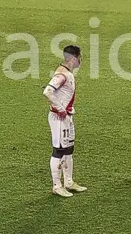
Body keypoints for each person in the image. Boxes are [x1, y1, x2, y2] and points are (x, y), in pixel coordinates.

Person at [43, 45, 87, 198]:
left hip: (67, 117)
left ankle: (69, 182)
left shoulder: (67, 72)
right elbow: (47, 91)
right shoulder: (62, 74)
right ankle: (57, 186)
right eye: (79, 57)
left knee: (68, 149)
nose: (81, 60)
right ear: (74, 58)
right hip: (59, 118)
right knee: (59, 150)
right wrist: (61, 109)